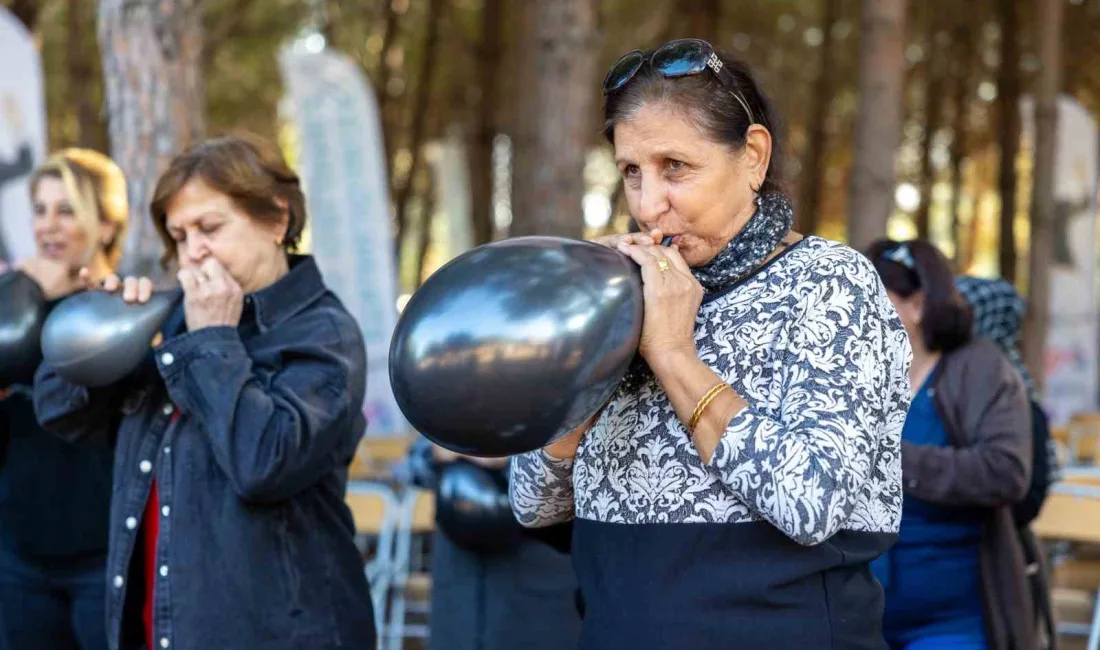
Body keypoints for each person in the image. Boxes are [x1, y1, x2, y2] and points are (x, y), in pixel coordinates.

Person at [509, 38, 911, 650]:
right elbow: (531, 504)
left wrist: (672, 357)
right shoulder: (620, 295)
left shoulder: (829, 283)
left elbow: (813, 504)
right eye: (631, 171)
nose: (647, 205)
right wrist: (586, 374)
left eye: (676, 167)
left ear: (752, 156)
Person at [33, 134, 375, 650]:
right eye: (179, 234)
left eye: (210, 228)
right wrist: (101, 330)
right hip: (159, 630)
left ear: (277, 219)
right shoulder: (170, 322)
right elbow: (57, 411)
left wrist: (213, 340)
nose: (193, 251)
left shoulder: (324, 333)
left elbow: (264, 463)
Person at [866, 239, 1038, 650]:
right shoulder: (858, 372)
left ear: (918, 305)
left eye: (873, 296)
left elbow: (1006, 472)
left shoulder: (980, 367)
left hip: (951, 619)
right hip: (859, 612)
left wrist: (889, 459)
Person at [0, 149, 127, 650]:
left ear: (107, 226)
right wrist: (24, 299)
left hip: (103, 557)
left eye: (67, 210)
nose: (48, 226)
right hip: (18, 554)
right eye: (40, 209)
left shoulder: (124, 309)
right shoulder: (11, 305)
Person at [402, 439, 580, 650]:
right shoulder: (447, 409)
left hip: (538, 586)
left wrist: (512, 459)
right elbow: (409, 469)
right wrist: (435, 452)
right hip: (459, 585)